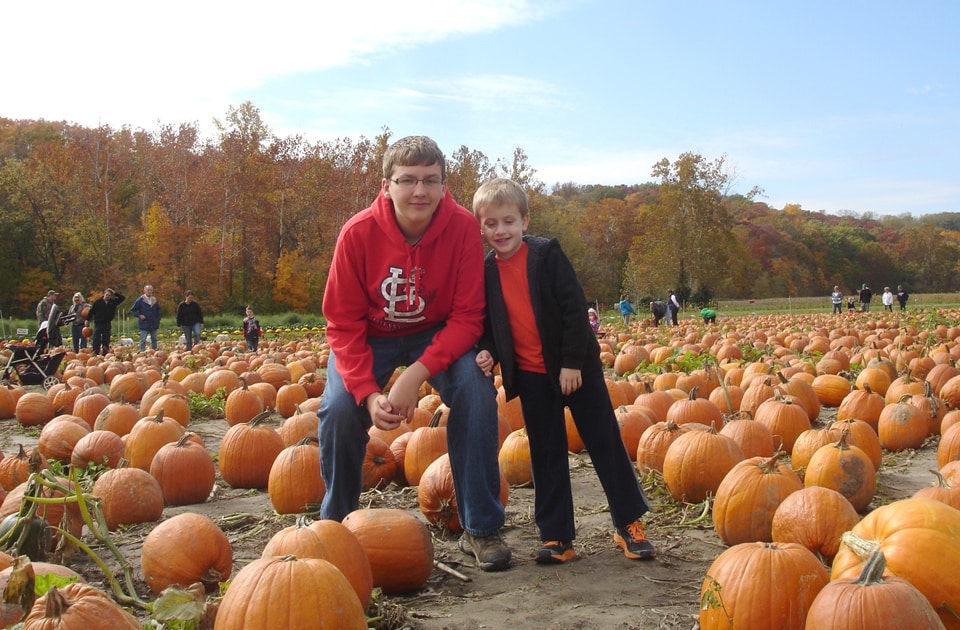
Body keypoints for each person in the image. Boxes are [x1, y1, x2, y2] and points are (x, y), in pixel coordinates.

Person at [317, 136, 510, 571]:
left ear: (444, 185)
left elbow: (467, 317)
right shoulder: (357, 233)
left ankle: (480, 526)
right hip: (370, 335)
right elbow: (342, 324)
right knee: (338, 410)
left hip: (438, 332)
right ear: (386, 185)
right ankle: (336, 527)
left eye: (430, 180)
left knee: (478, 394)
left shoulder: (461, 228)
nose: (419, 191)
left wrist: (414, 375)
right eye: (407, 180)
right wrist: (368, 393)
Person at [473, 178, 655, 565]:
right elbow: (489, 323)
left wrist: (572, 363)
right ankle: (557, 536)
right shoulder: (486, 271)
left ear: (525, 220)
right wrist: (487, 350)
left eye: (508, 221)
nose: (501, 231)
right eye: (491, 223)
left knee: (604, 441)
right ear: (481, 225)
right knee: (545, 451)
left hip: (576, 368)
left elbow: (575, 309)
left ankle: (630, 524)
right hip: (532, 376)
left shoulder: (546, 256)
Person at [87, 288, 125, 355]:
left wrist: (115, 292)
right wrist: (87, 320)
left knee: (106, 338)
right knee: (96, 338)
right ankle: (95, 352)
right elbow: (91, 312)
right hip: (98, 323)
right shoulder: (98, 302)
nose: (108, 296)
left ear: (111, 296)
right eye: (106, 295)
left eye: (109, 295)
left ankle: (105, 352)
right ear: (104, 295)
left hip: (107, 323)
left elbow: (122, 298)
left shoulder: (113, 302)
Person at [129, 284, 161, 352]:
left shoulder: (154, 300)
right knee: (143, 339)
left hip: (154, 323)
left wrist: (158, 320)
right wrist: (139, 315)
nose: (149, 291)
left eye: (151, 290)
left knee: (154, 339)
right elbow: (132, 310)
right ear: (144, 291)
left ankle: (154, 351)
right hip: (144, 323)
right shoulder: (140, 300)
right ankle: (142, 352)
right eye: (148, 290)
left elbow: (158, 311)